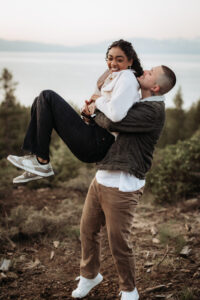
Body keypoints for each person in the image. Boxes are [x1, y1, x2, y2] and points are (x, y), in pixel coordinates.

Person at [71, 65, 176, 300]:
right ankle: (89, 276)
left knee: (118, 240)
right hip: (102, 176)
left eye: (150, 73)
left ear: (156, 87)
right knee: (87, 230)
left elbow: (113, 122)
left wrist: (96, 106)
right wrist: (93, 108)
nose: (145, 71)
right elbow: (106, 119)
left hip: (123, 183)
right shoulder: (136, 100)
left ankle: (129, 290)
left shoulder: (153, 111)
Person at [7, 40, 143, 183]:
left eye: (119, 59)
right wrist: (88, 114)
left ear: (130, 61)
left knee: (47, 96)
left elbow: (116, 114)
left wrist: (98, 101)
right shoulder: (114, 77)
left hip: (99, 144)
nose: (113, 63)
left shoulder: (127, 77)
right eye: (110, 58)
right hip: (94, 135)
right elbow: (106, 110)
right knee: (39, 101)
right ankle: (36, 160)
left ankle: (42, 162)